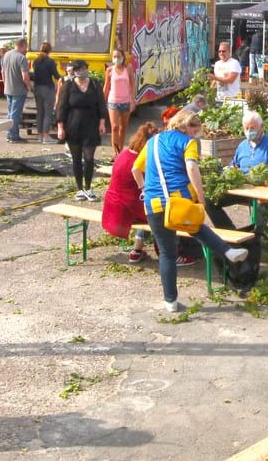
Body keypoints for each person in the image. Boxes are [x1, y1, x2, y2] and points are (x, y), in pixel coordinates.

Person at [131, 109, 251, 313]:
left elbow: (135, 169)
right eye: (194, 128)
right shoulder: (188, 143)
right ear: (185, 126)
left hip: (153, 204)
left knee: (168, 254)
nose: (196, 133)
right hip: (178, 200)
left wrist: (144, 188)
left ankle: (170, 301)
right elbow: (192, 168)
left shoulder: (153, 141)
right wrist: (201, 198)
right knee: (196, 226)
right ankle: (227, 251)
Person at [104, 122, 160, 262]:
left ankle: (137, 249)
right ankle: (170, 253)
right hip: (127, 208)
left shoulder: (123, 154)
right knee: (159, 211)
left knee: (147, 205)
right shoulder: (142, 161)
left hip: (112, 204)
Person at [56, 59, 107, 201]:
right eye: (78, 70)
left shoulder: (95, 85)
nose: (81, 72)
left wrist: (102, 122)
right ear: (74, 71)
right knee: (76, 159)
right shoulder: (68, 85)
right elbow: (61, 107)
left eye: (83, 68)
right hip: (73, 125)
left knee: (89, 158)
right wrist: (60, 126)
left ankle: (89, 187)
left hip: (91, 124)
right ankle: (79, 189)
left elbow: (101, 105)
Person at [105, 48, 135, 151]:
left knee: (123, 128)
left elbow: (132, 85)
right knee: (114, 127)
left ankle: (121, 150)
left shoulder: (128, 69)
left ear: (123, 57)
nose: (116, 59)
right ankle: (115, 152)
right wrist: (101, 101)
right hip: (113, 101)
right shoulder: (109, 70)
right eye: (114, 57)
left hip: (125, 101)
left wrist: (132, 101)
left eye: (118, 56)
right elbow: (106, 87)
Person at [29, 41, 57, 142]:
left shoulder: (36, 61)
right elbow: (56, 75)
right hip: (47, 88)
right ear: (49, 50)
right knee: (48, 113)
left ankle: (40, 135)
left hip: (37, 88)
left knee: (40, 112)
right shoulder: (50, 61)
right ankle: (46, 136)